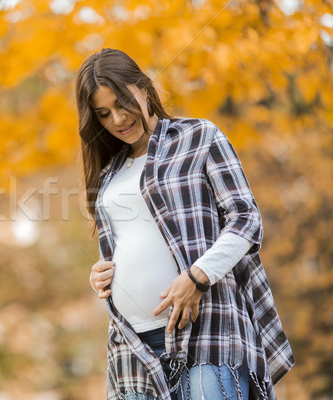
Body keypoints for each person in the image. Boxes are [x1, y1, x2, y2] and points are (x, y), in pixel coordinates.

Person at [75, 48, 295, 400]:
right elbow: (131, 241)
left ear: (143, 89)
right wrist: (99, 275)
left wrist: (197, 277)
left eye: (122, 103)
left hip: (206, 328)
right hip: (133, 346)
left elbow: (246, 219)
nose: (117, 119)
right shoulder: (108, 172)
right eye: (103, 114)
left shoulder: (199, 137)